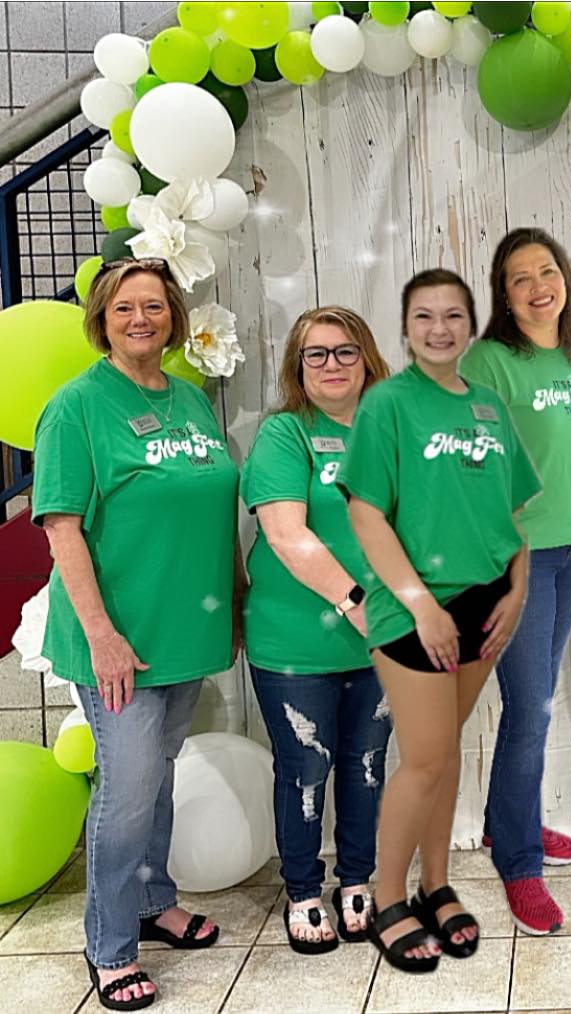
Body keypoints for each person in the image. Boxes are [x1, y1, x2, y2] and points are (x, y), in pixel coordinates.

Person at [32, 258, 240, 1010]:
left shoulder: (187, 400)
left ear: (174, 318)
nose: (141, 319)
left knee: (158, 772)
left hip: (183, 627)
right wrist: (101, 635)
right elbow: (61, 526)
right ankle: (110, 946)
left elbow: (208, 504)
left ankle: (154, 903)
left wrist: (236, 594)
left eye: (154, 306)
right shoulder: (76, 407)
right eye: (125, 308)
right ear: (102, 319)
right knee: (125, 791)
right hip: (115, 636)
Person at [339, 269, 540, 973]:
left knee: (445, 752)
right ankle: (387, 899)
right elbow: (364, 512)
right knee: (422, 758)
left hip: (486, 602)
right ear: (404, 327)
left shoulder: (487, 407)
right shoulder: (387, 405)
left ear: (470, 324)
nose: (439, 329)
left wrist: (517, 590)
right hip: (411, 607)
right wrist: (422, 605)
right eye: (424, 316)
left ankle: (436, 884)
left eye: (453, 316)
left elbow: (512, 515)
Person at [461, 228, 571, 935]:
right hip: (516, 561)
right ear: (504, 294)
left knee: (536, 702)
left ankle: (502, 822)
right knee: (531, 711)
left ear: (564, 277)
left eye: (546, 271)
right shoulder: (490, 362)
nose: (537, 286)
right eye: (520, 278)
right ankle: (518, 862)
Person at [241, 306, 392, 954]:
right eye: (316, 354)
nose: (332, 364)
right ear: (297, 368)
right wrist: (361, 602)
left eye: (345, 351)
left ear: (367, 359)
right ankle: (303, 890)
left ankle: (358, 880)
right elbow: (284, 534)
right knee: (306, 766)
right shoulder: (284, 434)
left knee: (366, 765)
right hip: (296, 643)